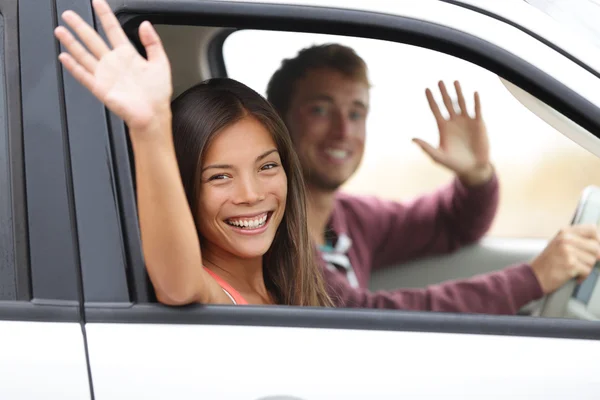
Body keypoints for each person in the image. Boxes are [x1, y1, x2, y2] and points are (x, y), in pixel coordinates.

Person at [266, 43, 600, 314]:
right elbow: (362, 313)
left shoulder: (351, 218)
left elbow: (451, 223)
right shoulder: (275, 233)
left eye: (356, 113)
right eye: (320, 110)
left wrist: (476, 176)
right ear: (279, 121)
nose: (343, 131)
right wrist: (532, 279)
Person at [53, 0, 332, 306]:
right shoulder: (213, 293)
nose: (251, 194)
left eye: (266, 167)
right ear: (186, 189)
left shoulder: (289, 287)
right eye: (220, 176)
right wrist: (150, 127)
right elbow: (178, 287)